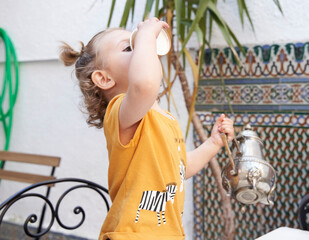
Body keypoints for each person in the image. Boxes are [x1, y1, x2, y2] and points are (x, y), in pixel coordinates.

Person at [59, 17, 235, 240]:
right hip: (131, 234)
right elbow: (144, 85)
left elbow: (177, 169)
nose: (141, 45)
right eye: (129, 47)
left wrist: (213, 143)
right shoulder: (119, 113)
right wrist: (145, 37)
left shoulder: (166, 119)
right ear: (104, 78)